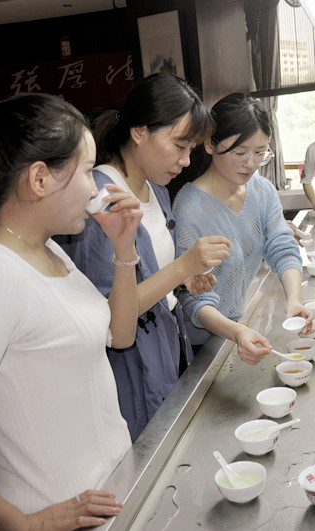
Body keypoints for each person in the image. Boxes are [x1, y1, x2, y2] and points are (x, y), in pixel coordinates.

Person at [0, 93, 144, 528]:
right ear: (40, 179)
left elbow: (119, 336)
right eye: (87, 171)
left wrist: (124, 247)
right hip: (54, 511)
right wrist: (29, 525)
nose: (96, 187)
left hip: (115, 494)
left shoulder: (49, 250)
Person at [57, 73, 232, 441]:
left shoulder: (156, 189)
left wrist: (182, 278)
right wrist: (183, 266)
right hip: (128, 365)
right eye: (180, 146)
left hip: (167, 347)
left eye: (191, 150)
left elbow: (152, 277)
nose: (186, 161)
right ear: (140, 132)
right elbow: (108, 314)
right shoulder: (101, 202)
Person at [174, 93, 314, 363]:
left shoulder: (261, 190)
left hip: (241, 328)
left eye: (260, 153)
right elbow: (193, 297)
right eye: (239, 153)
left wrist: (294, 300)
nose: (250, 163)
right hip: (205, 345)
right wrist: (235, 332)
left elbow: (281, 246)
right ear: (210, 145)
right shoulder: (189, 208)